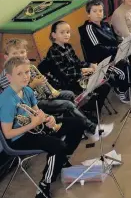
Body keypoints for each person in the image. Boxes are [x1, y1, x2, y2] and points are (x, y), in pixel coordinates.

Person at [0, 56, 85, 198]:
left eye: (27, 72)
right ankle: (44, 184)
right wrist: (34, 123)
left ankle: (62, 158)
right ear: (9, 77)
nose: (25, 76)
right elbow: (8, 134)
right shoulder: (7, 100)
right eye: (19, 74)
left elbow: (37, 112)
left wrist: (48, 118)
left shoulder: (26, 90)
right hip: (18, 138)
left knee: (77, 123)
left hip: (34, 127)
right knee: (57, 145)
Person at [0, 39, 109, 142]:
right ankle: (92, 128)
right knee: (67, 105)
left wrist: (45, 89)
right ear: (6, 57)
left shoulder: (27, 66)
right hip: (30, 108)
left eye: (22, 52)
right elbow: (17, 99)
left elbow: (37, 88)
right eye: (15, 54)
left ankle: (74, 127)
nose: (20, 55)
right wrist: (33, 85)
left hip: (39, 97)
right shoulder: (6, 76)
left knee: (69, 95)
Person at [80, 0, 131, 103]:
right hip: (102, 63)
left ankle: (123, 85)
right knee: (122, 73)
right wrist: (117, 50)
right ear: (88, 14)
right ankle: (122, 89)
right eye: (95, 11)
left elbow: (115, 41)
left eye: (100, 10)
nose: (98, 13)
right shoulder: (88, 28)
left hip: (116, 56)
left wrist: (125, 46)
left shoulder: (106, 25)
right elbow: (98, 49)